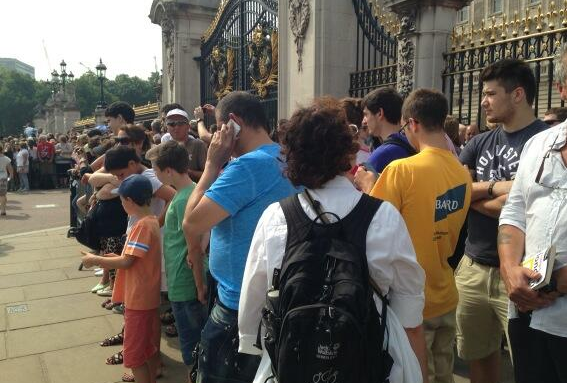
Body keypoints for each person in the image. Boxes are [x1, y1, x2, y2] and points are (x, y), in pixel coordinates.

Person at [239, 97, 427, 383]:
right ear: (349, 154)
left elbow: (253, 305)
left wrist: (252, 340)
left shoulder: (275, 217)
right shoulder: (382, 216)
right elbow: (409, 312)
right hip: (367, 361)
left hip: (295, 362)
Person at [182, 91, 298, 383]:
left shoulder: (246, 166)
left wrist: (211, 165)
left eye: (221, 127)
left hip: (237, 307)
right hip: (278, 297)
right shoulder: (287, 157)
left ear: (233, 123)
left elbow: (192, 223)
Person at [456, 58, 549, 383]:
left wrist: (476, 196)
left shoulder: (546, 143)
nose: (484, 101)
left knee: (529, 363)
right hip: (473, 267)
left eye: (491, 93)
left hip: (523, 273)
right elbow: (456, 193)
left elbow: (526, 205)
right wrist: (499, 188)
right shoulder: (478, 142)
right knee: (477, 356)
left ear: (518, 94)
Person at [370, 89, 472, 383]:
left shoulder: (401, 170)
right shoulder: (461, 171)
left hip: (411, 301)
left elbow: (375, 227)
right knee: (444, 374)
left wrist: (368, 186)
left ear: (412, 123)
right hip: (446, 293)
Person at [497, 43, 567, 383]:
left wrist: (554, 281)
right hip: (527, 314)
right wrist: (510, 269)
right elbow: (514, 212)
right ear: (562, 88)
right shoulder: (539, 144)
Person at [81, 174, 162, 383]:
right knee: (148, 347)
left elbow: (127, 262)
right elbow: (133, 259)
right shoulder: (151, 221)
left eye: (121, 199)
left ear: (129, 201)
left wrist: (96, 259)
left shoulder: (141, 226)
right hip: (148, 297)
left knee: (134, 356)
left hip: (139, 299)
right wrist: (113, 258)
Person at [146, 141, 207, 380]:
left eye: (157, 170)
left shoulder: (183, 200)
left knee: (191, 342)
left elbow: (194, 245)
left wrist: (199, 285)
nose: (156, 175)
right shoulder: (187, 194)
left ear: (168, 170)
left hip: (184, 280)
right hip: (182, 276)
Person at [353, 87, 414, 193]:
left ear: (380, 113)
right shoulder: (412, 144)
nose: (364, 121)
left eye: (366, 114)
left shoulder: (382, 154)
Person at [164, 107, 207, 182]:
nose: (176, 127)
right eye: (172, 124)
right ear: (167, 128)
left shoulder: (198, 145)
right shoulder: (164, 147)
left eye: (180, 123)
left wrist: (188, 172)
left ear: (188, 126)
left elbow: (208, 174)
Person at [0, 142, 14, 216]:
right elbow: (10, 169)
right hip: (3, 178)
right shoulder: (6, 158)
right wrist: (11, 176)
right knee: (3, 195)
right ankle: (3, 210)